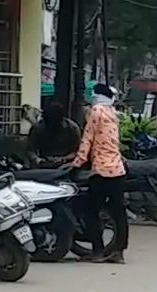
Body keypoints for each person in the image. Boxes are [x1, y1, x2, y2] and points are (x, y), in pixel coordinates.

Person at [72, 84, 129, 264]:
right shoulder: (113, 113)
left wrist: (77, 163)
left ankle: (97, 251)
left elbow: (88, 139)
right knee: (118, 211)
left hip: (102, 170)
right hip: (118, 169)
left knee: (92, 211)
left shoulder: (95, 112)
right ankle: (119, 252)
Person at [27, 101, 81, 166]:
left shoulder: (72, 128)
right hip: (44, 162)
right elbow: (30, 150)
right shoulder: (38, 128)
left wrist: (63, 159)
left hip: (66, 164)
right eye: (49, 124)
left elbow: (77, 151)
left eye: (55, 124)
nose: (52, 126)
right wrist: (38, 160)